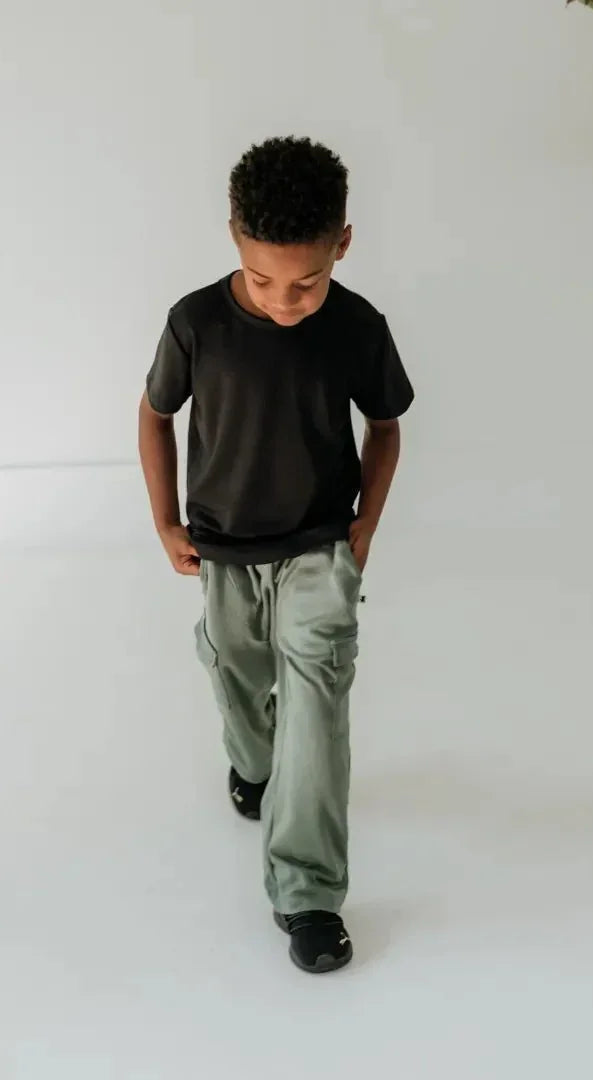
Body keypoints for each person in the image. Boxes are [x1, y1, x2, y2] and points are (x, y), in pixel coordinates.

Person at [138, 137, 414, 974]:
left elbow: (387, 427)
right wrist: (163, 521)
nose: (286, 300)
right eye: (263, 280)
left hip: (319, 547)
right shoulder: (195, 322)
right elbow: (154, 416)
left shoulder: (359, 327)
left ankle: (308, 896)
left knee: (317, 704)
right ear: (233, 238)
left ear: (343, 244)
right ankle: (252, 764)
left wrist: (364, 525)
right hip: (222, 545)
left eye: (308, 281)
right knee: (234, 666)